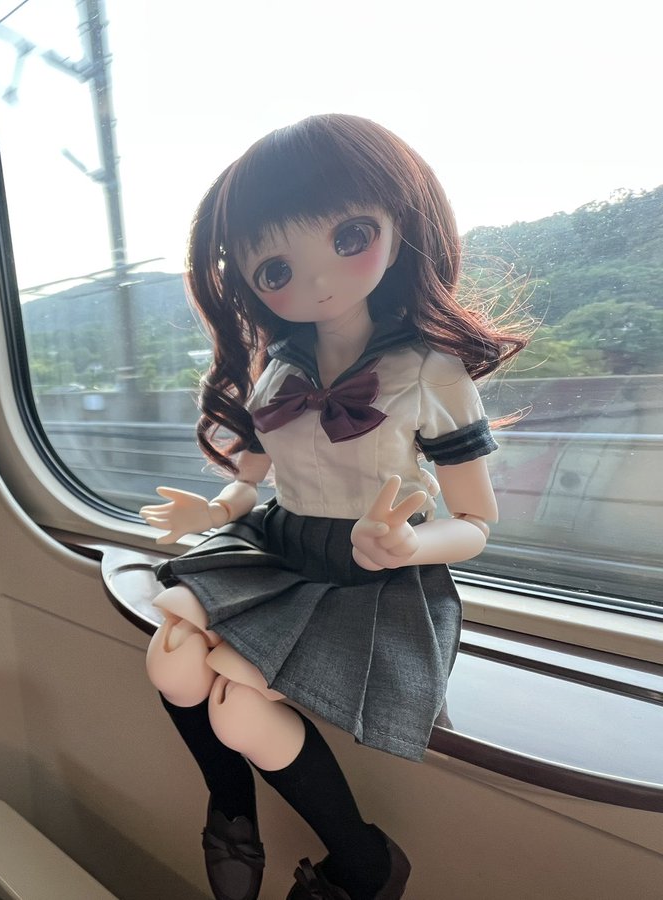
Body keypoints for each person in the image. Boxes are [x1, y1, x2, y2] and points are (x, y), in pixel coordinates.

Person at [140, 114, 527, 900]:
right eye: (275, 269)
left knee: (238, 710)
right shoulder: (278, 368)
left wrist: (412, 544)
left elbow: (476, 523)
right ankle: (231, 805)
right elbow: (253, 476)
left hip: (368, 574)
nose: (316, 281)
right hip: (279, 545)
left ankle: (362, 861)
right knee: (170, 656)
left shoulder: (430, 370)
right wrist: (216, 511)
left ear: (401, 225)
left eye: (350, 237)